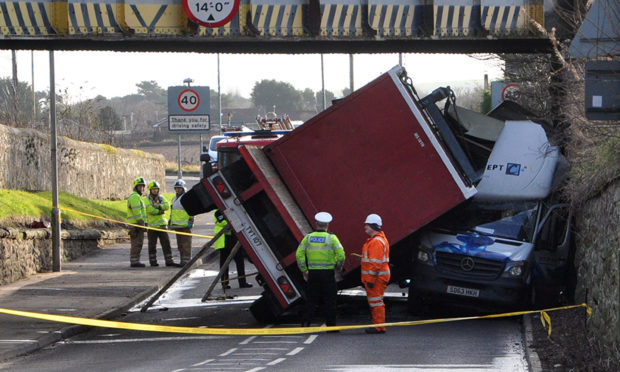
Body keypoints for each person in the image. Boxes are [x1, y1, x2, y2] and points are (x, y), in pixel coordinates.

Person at [296, 212, 345, 328]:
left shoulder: (308, 238)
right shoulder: (332, 238)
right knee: (330, 300)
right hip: (328, 274)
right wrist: (339, 266)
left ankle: (305, 323)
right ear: (327, 225)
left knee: (312, 300)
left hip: (313, 273)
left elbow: (299, 254)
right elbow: (341, 255)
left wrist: (304, 270)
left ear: (316, 224)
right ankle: (331, 327)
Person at [361, 213, 390, 334]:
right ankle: (377, 324)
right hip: (377, 277)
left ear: (373, 226)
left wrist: (370, 280)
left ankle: (379, 326)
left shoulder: (376, 242)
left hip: (376, 278)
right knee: (375, 302)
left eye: (366, 225)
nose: (365, 227)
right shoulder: (377, 240)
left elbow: (375, 264)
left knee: (376, 302)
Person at [213, 209, 253, 289]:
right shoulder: (218, 212)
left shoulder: (231, 210)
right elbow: (222, 222)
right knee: (224, 264)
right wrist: (233, 222)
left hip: (234, 239)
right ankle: (225, 283)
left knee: (240, 262)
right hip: (224, 241)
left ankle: (242, 282)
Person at [145, 180, 181, 267]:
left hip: (162, 226)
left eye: (156, 189)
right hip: (152, 227)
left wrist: (158, 206)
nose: (155, 191)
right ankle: (153, 262)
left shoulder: (161, 198)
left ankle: (169, 261)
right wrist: (160, 211)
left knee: (166, 244)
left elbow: (167, 205)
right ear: (150, 190)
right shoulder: (147, 200)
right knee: (152, 245)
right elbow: (150, 210)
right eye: (153, 189)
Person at [169, 179, 194, 266]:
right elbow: (172, 212)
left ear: (183, 189)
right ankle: (182, 261)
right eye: (176, 188)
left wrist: (190, 221)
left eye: (180, 188)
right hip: (177, 226)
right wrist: (170, 222)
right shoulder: (174, 198)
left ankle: (187, 261)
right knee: (180, 245)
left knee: (186, 244)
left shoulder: (186, 198)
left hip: (185, 226)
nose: (178, 190)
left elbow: (191, 210)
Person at [126, 177, 147, 268]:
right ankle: (134, 262)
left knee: (139, 243)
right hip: (136, 225)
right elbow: (137, 212)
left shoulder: (137, 196)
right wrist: (141, 223)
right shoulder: (134, 196)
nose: (141, 188)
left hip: (137, 224)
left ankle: (136, 260)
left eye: (142, 187)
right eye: (140, 187)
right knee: (136, 243)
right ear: (136, 187)